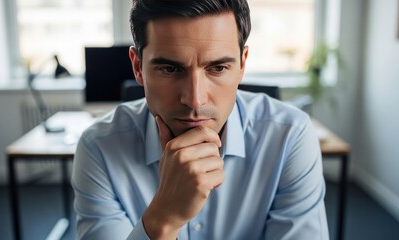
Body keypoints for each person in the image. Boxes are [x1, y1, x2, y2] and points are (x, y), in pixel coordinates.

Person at [72, 0, 329, 239]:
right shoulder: (99, 148)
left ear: (242, 65)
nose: (195, 100)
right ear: (138, 67)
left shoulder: (290, 137)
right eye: (170, 69)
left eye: (217, 68)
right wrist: (163, 219)